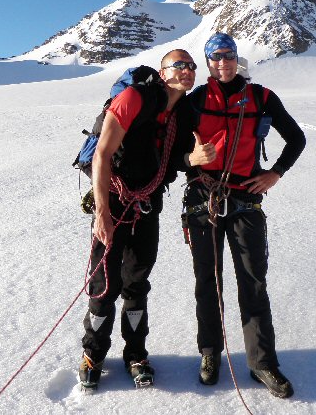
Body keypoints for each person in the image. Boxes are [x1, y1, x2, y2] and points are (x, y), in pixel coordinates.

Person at [181, 33, 306, 398]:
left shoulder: (262, 98)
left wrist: (275, 173)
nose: (223, 63)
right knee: (208, 280)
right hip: (203, 198)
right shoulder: (194, 101)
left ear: (237, 59)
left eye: (228, 56)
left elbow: (296, 138)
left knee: (253, 281)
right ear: (208, 63)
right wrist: (190, 159)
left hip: (245, 199)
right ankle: (210, 353)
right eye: (216, 57)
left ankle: (262, 362)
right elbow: (171, 153)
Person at [79, 50, 203, 390]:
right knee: (105, 282)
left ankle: (135, 353)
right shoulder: (135, 97)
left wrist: (193, 159)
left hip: (148, 204)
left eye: (192, 66)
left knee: (136, 281)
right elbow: (103, 155)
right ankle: (93, 354)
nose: (188, 70)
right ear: (163, 73)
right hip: (114, 200)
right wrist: (101, 214)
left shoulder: (183, 113)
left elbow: (175, 159)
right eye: (179, 65)